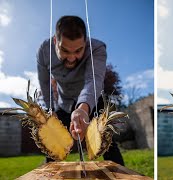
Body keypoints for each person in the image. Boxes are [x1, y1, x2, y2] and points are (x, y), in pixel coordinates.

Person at [37, 15, 124, 165]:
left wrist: (83, 108)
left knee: (107, 142)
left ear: (85, 42)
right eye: (64, 51)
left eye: (78, 51)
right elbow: (45, 83)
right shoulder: (44, 51)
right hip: (63, 103)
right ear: (55, 41)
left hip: (92, 101)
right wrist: (51, 109)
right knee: (52, 145)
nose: (71, 58)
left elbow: (94, 80)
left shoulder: (97, 48)